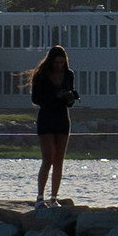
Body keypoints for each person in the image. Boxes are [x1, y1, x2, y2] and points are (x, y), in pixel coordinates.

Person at [29, 45, 78, 205]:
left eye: (61, 63)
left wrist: (69, 97)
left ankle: (54, 197)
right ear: (51, 61)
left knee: (59, 160)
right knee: (48, 159)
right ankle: (40, 196)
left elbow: (70, 100)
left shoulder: (69, 74)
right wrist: (55, 95)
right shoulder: (42, 75)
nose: (59, 66)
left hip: (62, 117)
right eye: (56, 63)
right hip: (46, 117)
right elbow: (36, 99)